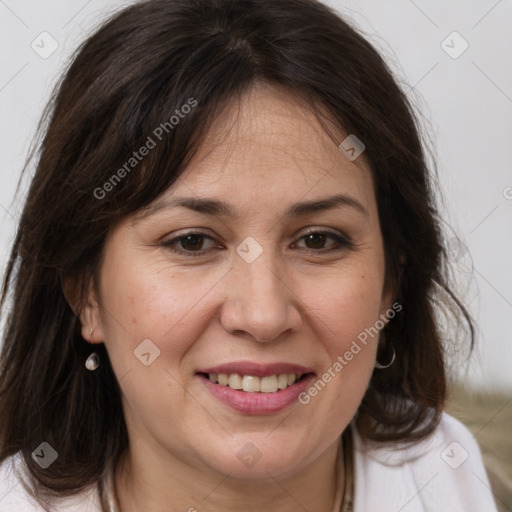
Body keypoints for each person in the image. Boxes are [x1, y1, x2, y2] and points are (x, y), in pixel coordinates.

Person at [0, 0, 498, 511]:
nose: (263, 316)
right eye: (192, 241)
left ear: (392, 278)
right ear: (85, 290)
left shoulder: (441, 472)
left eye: (318, 239)